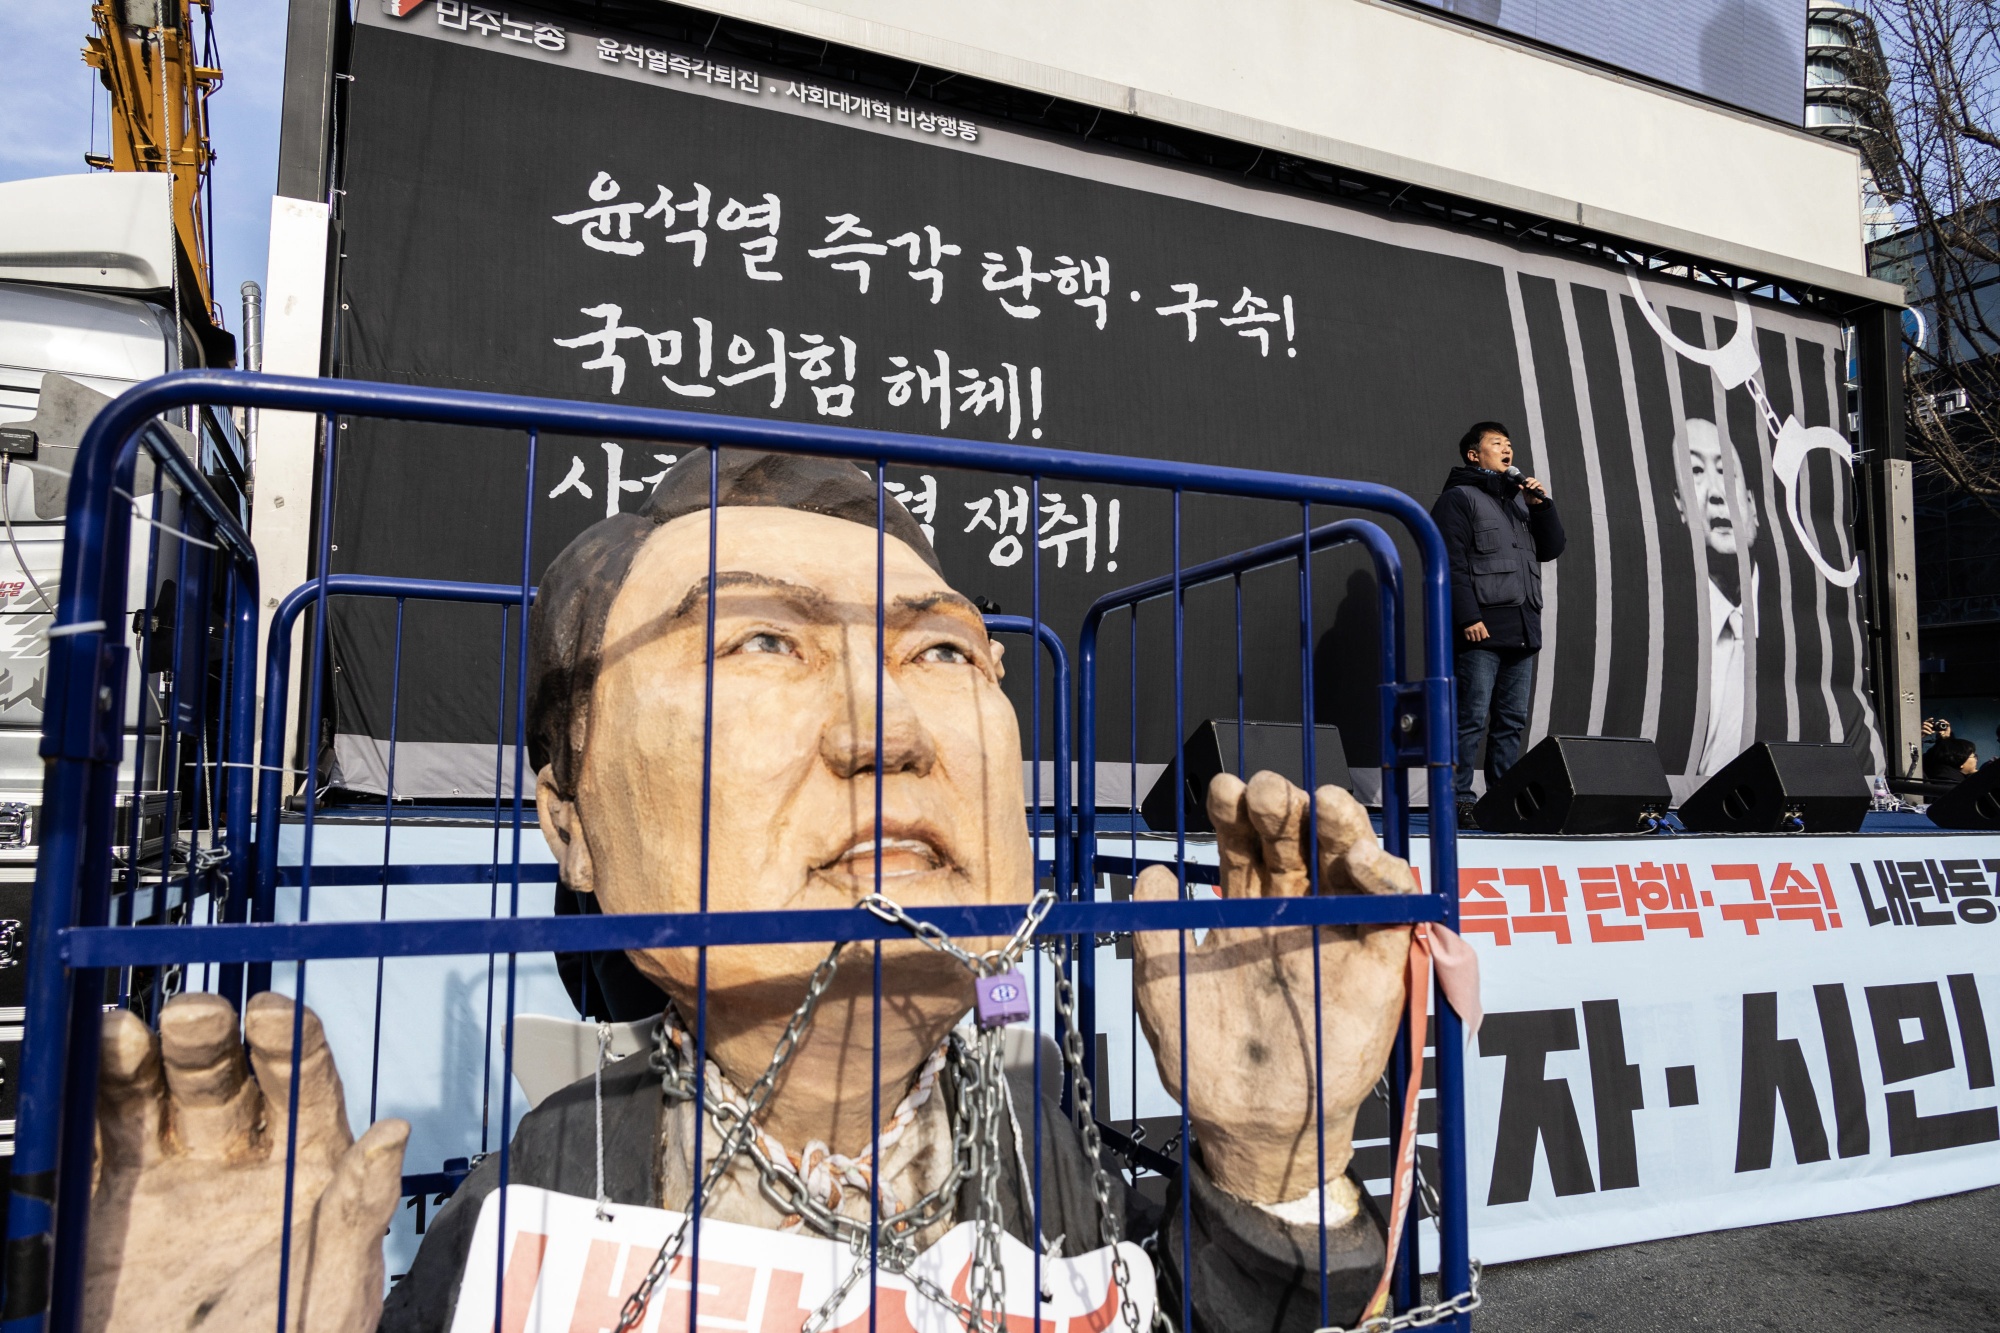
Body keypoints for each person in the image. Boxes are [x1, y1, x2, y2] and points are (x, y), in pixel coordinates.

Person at [84, 452, 1421, 1333]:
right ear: (572, 820)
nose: (885, 729)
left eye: (945, 649)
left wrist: (1279, 1165)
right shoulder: (543, 1203)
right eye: (763, 641)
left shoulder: (1044, 1134)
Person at [1431, 421, 1565, 825]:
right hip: (1482, 628)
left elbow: (1552, 547)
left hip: (1522, 628)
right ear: (1475, 455)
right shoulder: (1459, 498)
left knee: (1511, 722)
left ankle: (1503, 797)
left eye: (1509, 444)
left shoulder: (1519, 501)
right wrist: (1468, 616)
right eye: (1496, 444)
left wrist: (1542, 505)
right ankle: (1457, 799)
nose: (1507, 450)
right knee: (1470, 717)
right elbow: (1448, 560)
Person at [1674, 419, 1759, 776]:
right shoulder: (1668, 642)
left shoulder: (1806, 636)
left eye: (1726, 472)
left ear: (1752, 505)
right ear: (1679, 506)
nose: (1717, 492)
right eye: (1695, 470)